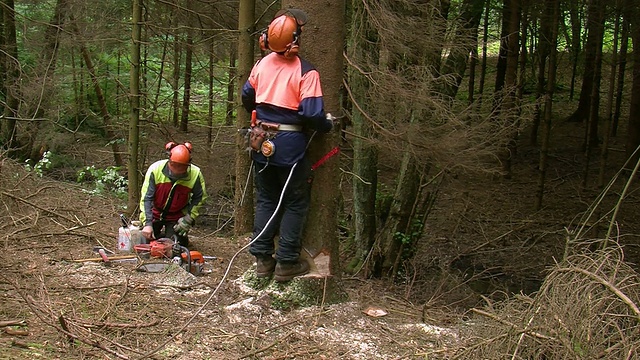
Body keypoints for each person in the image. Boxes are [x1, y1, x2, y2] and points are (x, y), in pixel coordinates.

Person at [241, 9, 333, 282]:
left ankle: (262, 257)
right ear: (295, 39)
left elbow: (248, 97)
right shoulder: (307, 71)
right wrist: (328, 124)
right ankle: (286, 262)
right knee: (294, 201)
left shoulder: (261, 64)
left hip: (260, 139)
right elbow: (312, 114)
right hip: (290, 144)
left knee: (267, 198)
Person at [139, 142, 207, 247]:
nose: (177, 171)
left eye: (181, 167)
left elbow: (200, 197)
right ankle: (154, 230)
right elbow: (146, 198)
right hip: (155, 212)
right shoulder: (155, 169)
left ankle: (171, 235)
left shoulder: (195, 174)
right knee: (145, 242)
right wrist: (147, 223)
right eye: (175, 166)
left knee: (175, 246)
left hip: (177, 216)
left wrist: (188, 218)